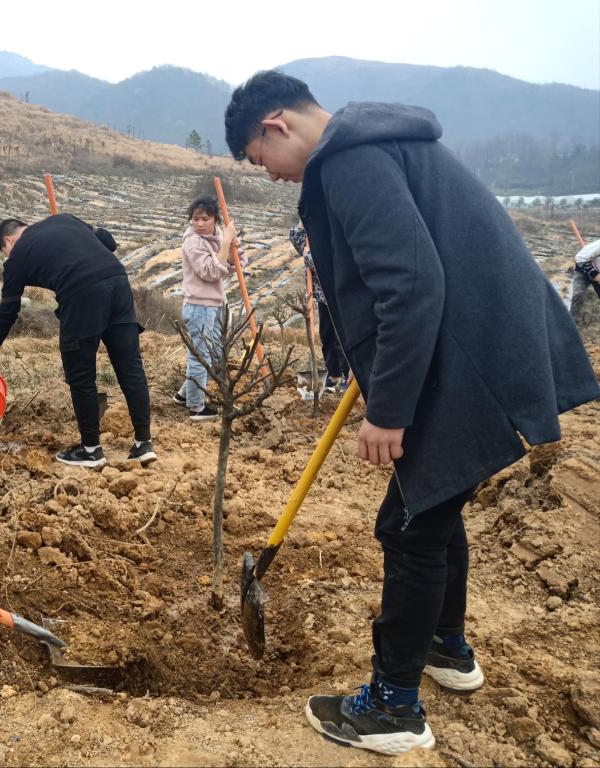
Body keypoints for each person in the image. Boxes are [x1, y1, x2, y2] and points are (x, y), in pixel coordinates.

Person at [224, 70, 599, 755]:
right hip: (475, 350)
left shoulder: (349, 161)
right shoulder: (382, 143)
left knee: (410, 527)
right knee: (430, 504)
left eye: (259, 159)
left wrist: (389, 410)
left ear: (276, 125)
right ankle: (445, 647)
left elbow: (412, 284)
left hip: (465, 363)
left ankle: (392, 707)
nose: (270, 175)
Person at [0, 213, 156, 468]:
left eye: (5, 253)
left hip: (82, 294)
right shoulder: (64, 219)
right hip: (118, 282)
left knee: (80, 374)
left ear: (9, 241)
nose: (8, 257)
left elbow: (8, 311)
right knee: (130, 368)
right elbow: (109, 241)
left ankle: (91, 451)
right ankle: (144, 444)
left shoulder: (17, 254)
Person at [174, 194, 240, 421]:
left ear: (215, 220)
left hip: (214, 305)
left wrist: (233, 248)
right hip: (199, 306)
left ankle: (184, 394)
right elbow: (210, 272)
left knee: (213, 355)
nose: (200, 224)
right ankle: (195, 407)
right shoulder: (193, 242)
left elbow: (233, 265)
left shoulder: (218, 236)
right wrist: (225, 244)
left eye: (205, 219)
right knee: (200, 356)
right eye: (196, 219)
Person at [288, 224, 348, 391]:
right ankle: (333, 373)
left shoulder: (337, 235)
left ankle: (347, 373)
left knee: (341, 337)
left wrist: (309, 256)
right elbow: (296, 239)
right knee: (326, 335)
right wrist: (302, 224)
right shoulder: (316, 233)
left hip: (339, 294)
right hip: (324, 296)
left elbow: (328, 266)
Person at [570, 236, 600, 326]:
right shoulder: (598, 245)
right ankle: (572, 323)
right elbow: (579, 257)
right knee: (578, 295)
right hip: (582, 270)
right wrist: (596, 275)